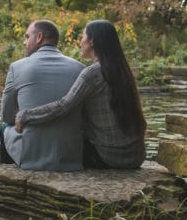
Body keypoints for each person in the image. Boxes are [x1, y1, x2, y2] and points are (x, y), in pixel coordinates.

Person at [14, 19, 147, 169]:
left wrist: (26, 115)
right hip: (136, 156)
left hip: (110, 158)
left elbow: (64, 105)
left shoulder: (93, 73)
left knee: (68, 129)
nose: (80, 42)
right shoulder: (121, 70)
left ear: (92, 41)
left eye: (83, 36)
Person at [0, 20, 85, 171]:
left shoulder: (17, 67)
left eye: (27, 37)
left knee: (5, 127)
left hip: (31, 158)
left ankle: (5, 176)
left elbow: (6, 116)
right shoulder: (80, 69)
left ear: (39, 37)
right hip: (71, 157)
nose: (24, 42)